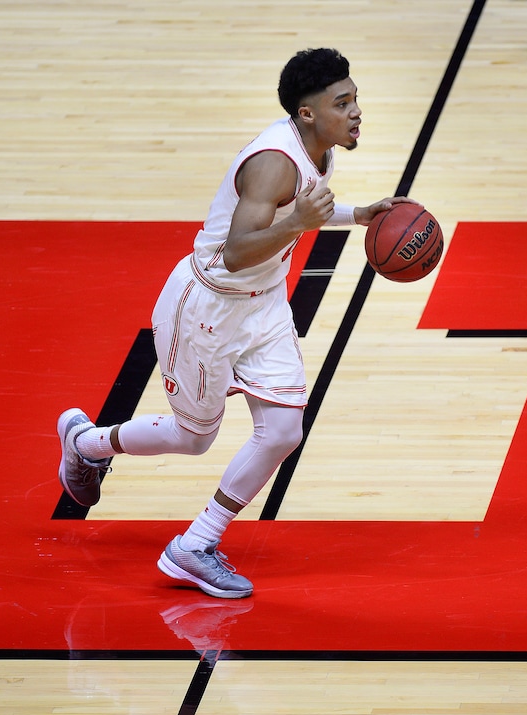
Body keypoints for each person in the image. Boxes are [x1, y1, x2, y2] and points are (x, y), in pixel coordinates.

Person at [57, 47, 416, 599]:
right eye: (341, 102)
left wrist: (357, 215)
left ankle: (195, 546)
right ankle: (88, 444)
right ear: (307, 113)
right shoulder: (275, 161)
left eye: (355, 99)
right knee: (193, 438)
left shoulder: (318, 151)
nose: (355, 111)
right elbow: (236, 252)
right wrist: (300, 219)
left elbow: (295, 211)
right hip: (207, 306)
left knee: (283, 432)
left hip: (264, 303)